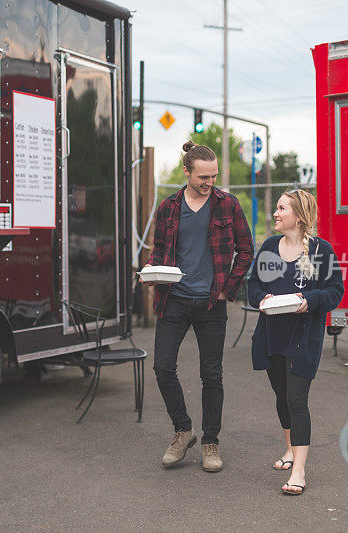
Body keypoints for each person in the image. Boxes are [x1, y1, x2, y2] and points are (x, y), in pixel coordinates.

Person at [142, 141, 253, 472]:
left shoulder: (227, 204)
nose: (210, 183)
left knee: (211, 374)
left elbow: (246, 250)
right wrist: (152, 269)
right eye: (204, 177)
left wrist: (227, 290)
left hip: (210, 304)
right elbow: (160, 247)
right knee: (162, 368)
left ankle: (210, 442)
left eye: (214, 176)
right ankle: (183, 429)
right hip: (174, 300)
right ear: (186, 172)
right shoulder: (168, 207)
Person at [247, 189, 344, 495]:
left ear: (298, 217)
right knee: (281, 396)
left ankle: (299, 471)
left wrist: (309, 299)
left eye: (281, 208)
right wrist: (263, 298)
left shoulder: (320, 250)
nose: (275, 213)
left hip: (303, 338)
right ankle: (289, 449)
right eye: (276, 208)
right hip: (272, 336)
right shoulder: (269, 248)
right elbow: (253, 286)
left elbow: (335, 292)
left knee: (297, 400)